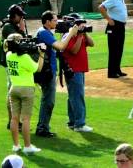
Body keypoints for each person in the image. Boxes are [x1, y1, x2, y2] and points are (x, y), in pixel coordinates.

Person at [35, 10, 78, 138]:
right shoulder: (44, 33)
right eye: (54, 20)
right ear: (47, 22)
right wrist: (70, 33)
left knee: (48, 100)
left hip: (47, 71)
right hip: (47, 72)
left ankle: (43, 127)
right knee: (48, 101)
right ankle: (42, 128)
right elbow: (60, 46)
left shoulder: (45, 31)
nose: (56, 22)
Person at [5, 33, 45, 154]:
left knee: (14, 118)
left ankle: (16, 145)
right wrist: (41, 54)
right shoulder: (25, 58)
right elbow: (38, 68)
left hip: (14, 89)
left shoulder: (8, 55)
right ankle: (27, 146)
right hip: (26, 89)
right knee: (26, 119)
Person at [62, 22, 94, 132]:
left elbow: (92, 43)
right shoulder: (69, 36)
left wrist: (84, 33)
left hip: (79, 69)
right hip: (73, 70)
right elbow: (74, 51)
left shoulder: (81, 35)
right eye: (81, 25)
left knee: (73, 96)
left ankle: (72, 122)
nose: (83, 27)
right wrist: (79, 36)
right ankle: (79, 124)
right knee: (77, 96)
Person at [0, 4, 26, 131]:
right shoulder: (7, 27)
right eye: (20, 16)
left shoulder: (12, 26)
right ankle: (12, 122)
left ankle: (14, 121)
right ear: (14, 16)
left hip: (14, 62)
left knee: (13, 91)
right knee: (12, 92)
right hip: (10, 63)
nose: (22, 19)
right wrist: (21, 29)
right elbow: (20, 41)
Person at [99, 0, 128, 78]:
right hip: (114, 26)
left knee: (119, 48)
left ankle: (117, 70)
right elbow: (101, 7)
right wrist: (108, 19)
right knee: (113, 49)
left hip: (120, 26)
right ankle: (111, 72)